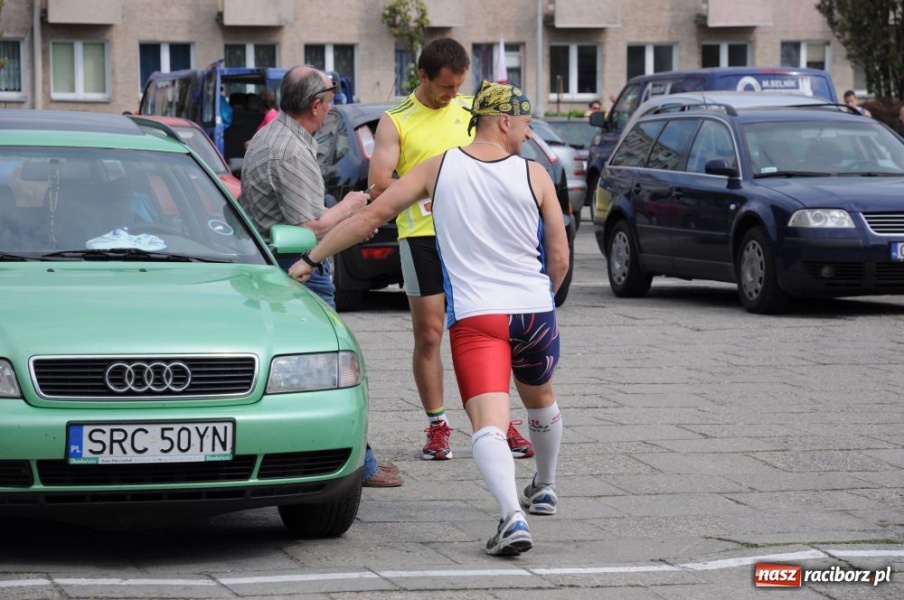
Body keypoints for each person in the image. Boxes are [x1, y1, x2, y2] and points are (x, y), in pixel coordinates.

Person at [289, 81, 569, 556]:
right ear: (503, 121)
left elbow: (368, 218)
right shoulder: (536, 174)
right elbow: (559, 255)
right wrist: (547, 299)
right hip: (535, 311)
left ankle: (511, 517)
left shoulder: (437, 169)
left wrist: (311, 259)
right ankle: (544, 486)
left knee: (487, 422)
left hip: (480, 317)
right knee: (540, 400)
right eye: (523, 125)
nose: (525, 135)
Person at [368, 37, 535, 462]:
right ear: (423, 76)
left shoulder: (468, 111)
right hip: (421, 237)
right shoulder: (395, 120)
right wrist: (430, 194)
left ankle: (499, 421)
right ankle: (438, 424)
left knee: (490, 330)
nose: (453, 94)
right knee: (429, 334)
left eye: (460, 85)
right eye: (446, 86)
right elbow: (379, 184)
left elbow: (500, 158)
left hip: (473, 236)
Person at [239, 65, 403, 488]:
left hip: (278, 266)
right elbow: (309, 228)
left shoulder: (275, 136)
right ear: (316, 105)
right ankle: (355, 464)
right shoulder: (289, 151)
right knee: (334, 368)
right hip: (297, 269)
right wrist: (353, 204)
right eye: (330, 100)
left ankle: (340, 458)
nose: (332, 107)